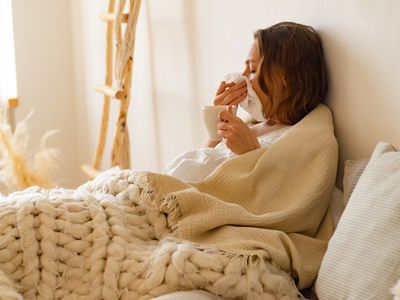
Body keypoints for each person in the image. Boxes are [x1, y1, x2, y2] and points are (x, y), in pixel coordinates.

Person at [164, 21, 328, 182]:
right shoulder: (253, 124)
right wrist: (218, 120)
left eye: (253, 69)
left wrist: (250, 154)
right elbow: (200, 164)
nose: (243, 76)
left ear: (287, 77)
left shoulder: (297, 138)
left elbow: (271, 192)